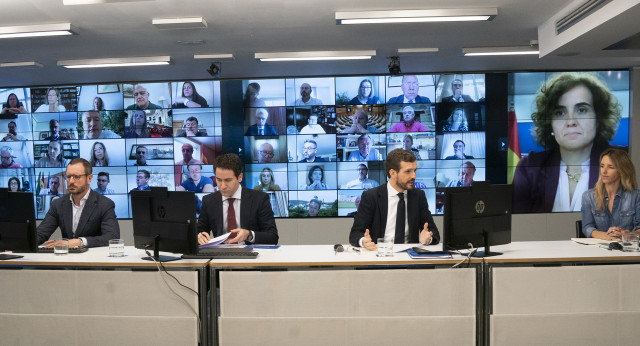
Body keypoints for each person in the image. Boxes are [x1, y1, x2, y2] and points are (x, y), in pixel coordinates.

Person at [513, 72, 624, 213]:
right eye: (560, 113)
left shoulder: (625, 160)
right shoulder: (530, 168)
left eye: (582, 110)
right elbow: (518, 227)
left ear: (598, 118)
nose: (571, 121)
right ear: (550, 123)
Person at [349, 149, 439, 249]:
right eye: (408, 171)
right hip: (379, 256)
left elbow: (433, 232)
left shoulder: (418, 196)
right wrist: (363, 241)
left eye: (414, 170)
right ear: (392, 173)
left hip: (410, 258)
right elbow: (355, 234)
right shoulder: (371, 196)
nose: (414, 176)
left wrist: (428, 238)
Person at [36, 158, 120, 248]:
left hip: (94, 258)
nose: (71, 181)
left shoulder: (105, 204)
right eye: (68, 177)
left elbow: (112, 237)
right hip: (66, 259)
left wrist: (79, 242)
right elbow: (40, 234)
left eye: (77, 177)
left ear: (89, 178)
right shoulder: (58, 204)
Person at [197, 153, 279, 245]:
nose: (222, 186)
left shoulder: (259, 199)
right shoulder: (208, 201)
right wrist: (199, 237)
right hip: (219, 256)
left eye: (228, 180)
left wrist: (249, 235)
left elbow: (272, 237)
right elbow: (199, 231)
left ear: (240, 177)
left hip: (251, 255)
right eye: (219, 180)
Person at [581, 148, 640, 239]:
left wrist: (628, 234)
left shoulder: (636, 196)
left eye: (611, 167)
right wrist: (606, 236)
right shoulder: (588, 196)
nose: (604, 171)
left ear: (622, 171)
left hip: (627, 248)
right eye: (602, 166)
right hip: (599, 249)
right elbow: (587, 227)